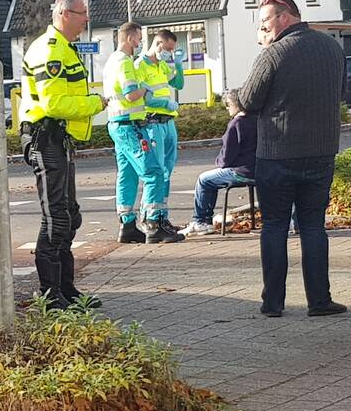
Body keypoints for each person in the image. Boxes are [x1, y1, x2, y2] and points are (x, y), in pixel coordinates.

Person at [238, 0, 347, 318]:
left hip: (277, 154)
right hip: (321, 153)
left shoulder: (273, 54)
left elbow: (248, 101)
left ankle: (273, 303)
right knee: (313, 226)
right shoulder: (333, 48)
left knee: (274, 225)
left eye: (265, 22)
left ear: (284, 17)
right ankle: (320, 301)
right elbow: (341, 94)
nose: (263, 29)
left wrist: (264, 51)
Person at [19, 0, 106, 310]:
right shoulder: (50, 50)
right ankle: (49, 293)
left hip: (58, 137)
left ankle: (66, 289)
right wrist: (95, 103)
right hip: (45, 137)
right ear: (65, 14)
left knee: (69, 215)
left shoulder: (64, 48)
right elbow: (54, 103)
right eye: (83, 13)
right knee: (56, 216)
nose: (87, 19)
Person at [103, 22, 182, 244]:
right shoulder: (125, 62)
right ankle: (154, 225)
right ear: (130, 38)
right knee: (154, 172)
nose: (139, 43)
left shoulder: (111, 61)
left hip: (116, 123)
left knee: (127, 174)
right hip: (131, 125)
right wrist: (146, 90)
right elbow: (131, 94)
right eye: (138, 39)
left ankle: (127, 224)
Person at [179, 89, 256, 236]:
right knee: (211, 179)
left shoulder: (235, 124)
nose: (227, 108)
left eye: (228, 104)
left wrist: (219, 162)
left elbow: (226, 157)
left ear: (236, 104)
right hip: (259, 170)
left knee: (204, 180)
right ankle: (204, 221)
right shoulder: (256, 120)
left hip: (241, 172)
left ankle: (201, 221)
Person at [136, 30, 185, 232]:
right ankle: (148, 217)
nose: (170, 54)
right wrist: (165, 103)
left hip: (168, 122)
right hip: (153, 121)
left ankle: (162, 216)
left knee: (167, 171)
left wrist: (179, 65)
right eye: (168, 49)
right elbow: (141, 97)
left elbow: (178, 84)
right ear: (158, 44)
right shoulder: (140, 65)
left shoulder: (162, 65)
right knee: (156, 171)